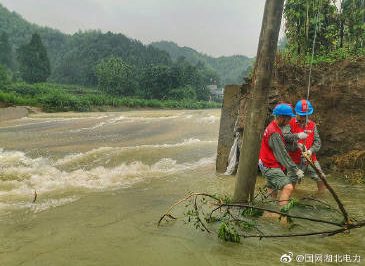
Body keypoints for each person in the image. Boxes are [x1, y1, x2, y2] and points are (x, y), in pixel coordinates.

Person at [258, 103, 304, 207]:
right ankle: (283, 215)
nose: (289, 122)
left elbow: (280, 147)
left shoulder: (274, 127)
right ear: (281, 117)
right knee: (288, 187)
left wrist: (297, 146)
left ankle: (269, 215)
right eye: (288, 119)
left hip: (265, 163)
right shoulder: (274, 133)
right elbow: (282, 154)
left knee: (272, 195)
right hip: (270, 165)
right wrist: (296, 170)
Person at [283, 99, 326, 193]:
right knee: (291, 182)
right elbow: (284, 138)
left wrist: (310, 151)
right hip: (294, 160)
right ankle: (291, 198)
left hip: (311, 159)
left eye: (306, 115)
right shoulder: (289, 123)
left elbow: (317, 142)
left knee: (321, 178)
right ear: (296, 113)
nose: (304, 118)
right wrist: (297, 140)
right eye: (302, 115)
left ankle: (322, 196)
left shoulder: (312, 125)